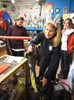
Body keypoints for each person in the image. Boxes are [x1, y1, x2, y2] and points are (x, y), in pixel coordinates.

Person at [28, 22, 61, 100]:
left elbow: (54, 63)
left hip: (52, 63)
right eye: (46, 29)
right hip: (44, 59)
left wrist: (46, 77)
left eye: (51, 31)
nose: (48, 33)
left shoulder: (57, 42)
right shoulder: (42, 34)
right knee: (41, 77)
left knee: (48, 81)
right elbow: (34, 41)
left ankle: (48, 95)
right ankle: (41, 93)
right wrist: (31, 45)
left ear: (55, 31)